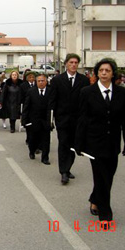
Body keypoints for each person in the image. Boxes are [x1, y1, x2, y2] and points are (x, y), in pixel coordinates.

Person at [75, 58, 125, 225]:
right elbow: (83, 119)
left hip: (113, 142)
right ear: (97, 73)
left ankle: (95, 198)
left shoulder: (121, 92)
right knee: (101, 176)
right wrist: (79, 143)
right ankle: (105, 214)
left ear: (113, 73)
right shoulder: (87, 92)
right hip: (95, 142)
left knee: (109, 175)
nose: (104, 73)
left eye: (107, 70)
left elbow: (124, 119)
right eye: (101, 70)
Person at [48, 53, 89, 185]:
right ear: (66, 63)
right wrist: (51, 119)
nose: (73, 65)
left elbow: (86, 102)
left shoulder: (84, 80)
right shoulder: (57, 80)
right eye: (71, 62)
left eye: (76, 62)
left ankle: (68, 167)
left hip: (77, 120)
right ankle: (63, 172)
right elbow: (52, 101)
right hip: (62, 119)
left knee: (73, 146)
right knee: (63, 144)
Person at [22, 73, 52, 165]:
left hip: (45, 120)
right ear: (36, 82)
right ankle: (32, 151)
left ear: (46, 81)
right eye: (39, 81)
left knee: (46, 140)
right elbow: (26, 107)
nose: (41, 83)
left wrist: (51, 121)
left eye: (43, 81)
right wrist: (24, 120)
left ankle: (45, 157)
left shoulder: (50, 91)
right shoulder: (31, 91)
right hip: (33, 120)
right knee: (33, 139)